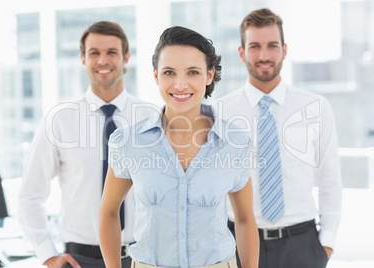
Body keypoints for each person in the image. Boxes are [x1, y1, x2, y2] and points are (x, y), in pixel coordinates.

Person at [99, 26, 259, 268]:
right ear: (156, 76)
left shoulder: (235, 143)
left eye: (193, 72)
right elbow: (109, 212)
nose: (180, 84)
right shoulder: (128, 142)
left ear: (209, 75)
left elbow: (245, 219)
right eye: (169, 72)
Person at [213, 8, 342, 268]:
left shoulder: (316, 107)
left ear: (284, 50)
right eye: (255, 46)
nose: (264, 56)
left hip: (302, 244)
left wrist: (325, 246)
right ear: (242, 53)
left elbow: (330, 180)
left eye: (272, 46)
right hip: (236, 244)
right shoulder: (219, 113)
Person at [17, 21, 154, 268]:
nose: (103, 60)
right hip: (82, 259)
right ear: (83, 59)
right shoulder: (59, 120)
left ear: (126, 58)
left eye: (112, 52)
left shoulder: (151, 118)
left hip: (144, 258)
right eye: (94, 53)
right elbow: (30, 194)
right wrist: (47, 253)